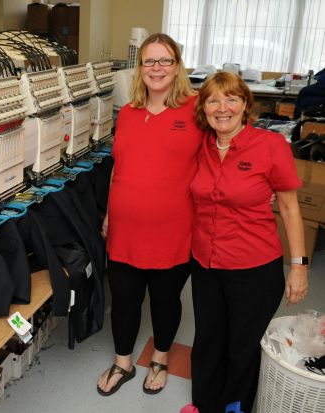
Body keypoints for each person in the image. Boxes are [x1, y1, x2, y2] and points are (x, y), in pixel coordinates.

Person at [190, 71, 309, 413]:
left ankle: (234, 408)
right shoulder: (201, 145)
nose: (222, 108)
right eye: (213, 100)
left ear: (245, 104)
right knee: (209, 341)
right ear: (204, 108)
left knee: (242, 347)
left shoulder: (271, 146)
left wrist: (299, 267)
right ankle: (204, 405)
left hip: (254, 268)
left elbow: (288, 208)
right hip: (206, 263)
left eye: (231, 99)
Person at [97, 33, 202, 396]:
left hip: (174, 231)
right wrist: (109, 214)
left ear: (177, 66)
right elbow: (118, 167)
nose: (156, 68)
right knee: (124, 298)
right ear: (139, 68)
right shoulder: (128, 113)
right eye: (149, 61)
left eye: (165, 61)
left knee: (165, 300)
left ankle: (159, 357)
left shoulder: (197, 110)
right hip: (125, 229)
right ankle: (123, 361)